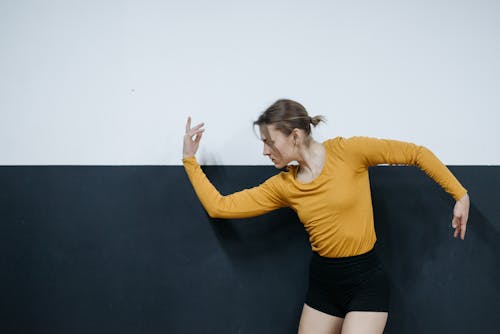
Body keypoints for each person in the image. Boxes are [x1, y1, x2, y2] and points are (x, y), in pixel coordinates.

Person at [181, 98, 470, 334]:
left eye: (270, 141)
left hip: (365, 280)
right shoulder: (285, 186)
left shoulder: (349, 151)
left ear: (295, 135)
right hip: (324, 283)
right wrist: (189, 161)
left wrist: (460, 194)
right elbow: (220, 206)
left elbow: (416, 153)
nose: (265, 151)